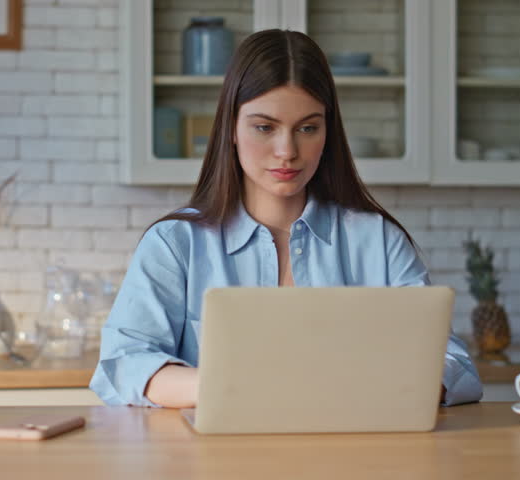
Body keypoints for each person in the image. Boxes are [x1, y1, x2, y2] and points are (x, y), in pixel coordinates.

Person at [90, 29, 483, 408]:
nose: (287, 151)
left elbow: (455, 366)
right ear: (231, 128)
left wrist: (391, 386)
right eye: (264, 127)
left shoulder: (377, 239)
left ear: (328, 132)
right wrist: (242, 387)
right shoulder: (175, 243)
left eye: (307, 128)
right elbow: (125, 365)